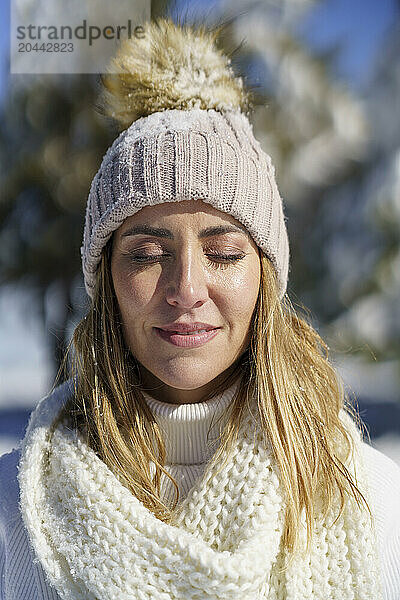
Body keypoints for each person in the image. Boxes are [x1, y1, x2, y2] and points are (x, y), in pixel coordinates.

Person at [1, 17, 400, 600]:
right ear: (106, 280)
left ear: (264, 281)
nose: (187, 288)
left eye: (221, 252)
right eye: (147, 253)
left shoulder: (376, 504)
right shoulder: (16, 517)